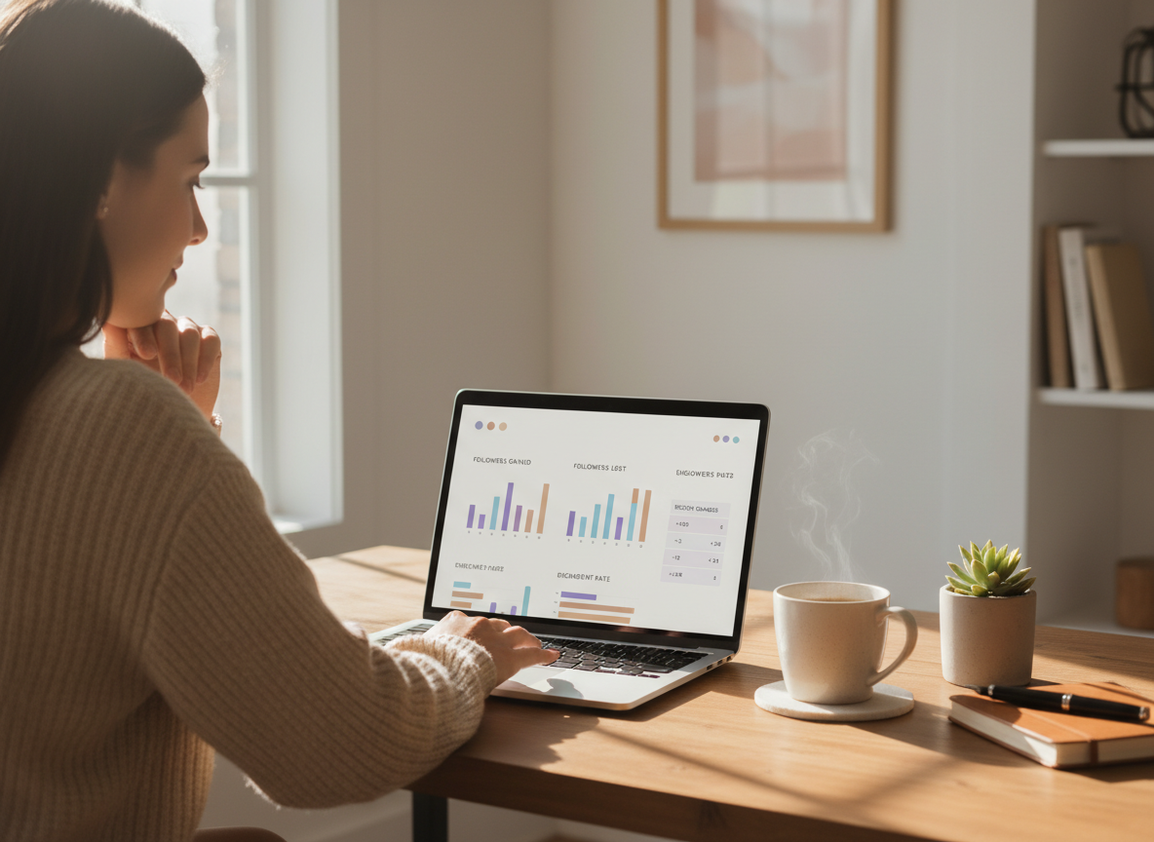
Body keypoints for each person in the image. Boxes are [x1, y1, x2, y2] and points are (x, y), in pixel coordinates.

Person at [0, 2, 557, 841]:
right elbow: (340, 742)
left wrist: (178, 429)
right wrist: (464, 652)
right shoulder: (119, 425)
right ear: (104, 182)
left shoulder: (87, 415)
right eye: (190, 180)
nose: (198, 227)